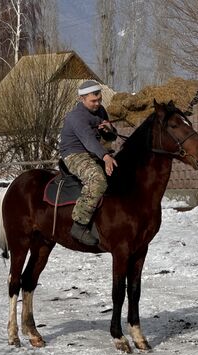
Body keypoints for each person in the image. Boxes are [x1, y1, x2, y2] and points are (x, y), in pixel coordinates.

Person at [60, 80, 118, 246]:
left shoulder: (100, 111)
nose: (97, 104)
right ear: (81, 98)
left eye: (99, 99)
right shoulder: (75, 117)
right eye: (93, 101)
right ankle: (80, 224)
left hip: (94, 153)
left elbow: (110, 137)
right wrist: (105, 156)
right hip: (74, 154)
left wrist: (110, 130)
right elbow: (88, 140)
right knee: (97, 180)